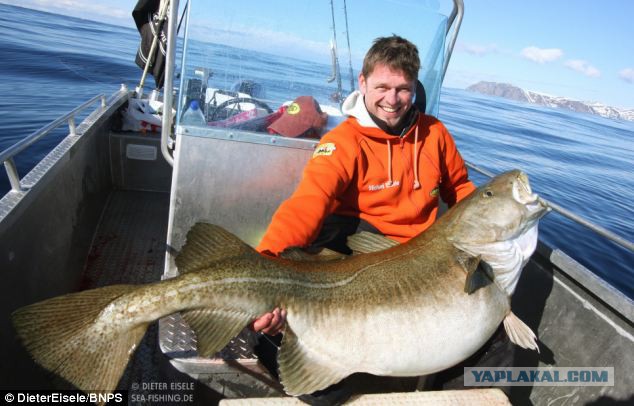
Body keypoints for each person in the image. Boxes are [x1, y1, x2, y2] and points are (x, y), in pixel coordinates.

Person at [251, 35, 477, 399]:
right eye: (382, 86)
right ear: (363, 83)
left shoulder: (435, 134)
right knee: (315, 367)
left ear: (414, 87)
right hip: (357, 255)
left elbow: (462, 191)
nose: (392, 100)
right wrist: (266, 263)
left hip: (421, 260)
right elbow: (309, 202)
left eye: (403, 89)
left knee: (489, 344)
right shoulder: (343, 142)